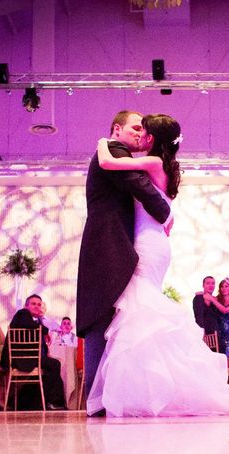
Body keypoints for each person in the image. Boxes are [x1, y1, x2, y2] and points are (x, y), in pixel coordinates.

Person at [87, 113, 229, 417]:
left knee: (140, 314)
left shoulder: (153, 163)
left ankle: (144, 392)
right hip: (154, 244)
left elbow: (108, 163)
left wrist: (102, 143)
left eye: (143, 132)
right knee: (142, 314)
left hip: (147, 245)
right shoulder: (160, 166)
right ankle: (149, 390)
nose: (140, 135)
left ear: (151, 140)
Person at [76, 110, 172, 416]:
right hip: (108, 246)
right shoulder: (114, 149)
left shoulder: (117, 151)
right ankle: (101, 400)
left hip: (117, 246)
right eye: (133, 127)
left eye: (142, 129)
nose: (138, 132)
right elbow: (139, 186)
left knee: (114, 321)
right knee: (105, 320)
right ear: (116, 129)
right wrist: (166, 213)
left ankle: (106, 400)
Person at [1, 294, 68, 411]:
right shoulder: (22, 313)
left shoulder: (31, 320)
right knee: (54, 365)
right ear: (26, 305)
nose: (37, 307)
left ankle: (41, 401)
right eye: (33, 304)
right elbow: (29, 325)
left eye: (39, 305)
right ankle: (52, 401)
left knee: (51, 366)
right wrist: (45, 330)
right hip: (23, 358)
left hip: (28, 358)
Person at [206, 277, 229, 359]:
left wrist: (213, 300)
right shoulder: (216, 299)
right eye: (222, 286)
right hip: (219, 334)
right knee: (220, 360)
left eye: (226, 286)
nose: (224, 289)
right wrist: (201, 293)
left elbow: (225, 310)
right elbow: (206, 296)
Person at [193, 276, 223, 345]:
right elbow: (198, 316)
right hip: (206, 334)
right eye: (208, 283)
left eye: (213, 283)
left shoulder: (215, 299)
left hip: (217, 334)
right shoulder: (199, 298)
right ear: (203, 285)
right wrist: (202, 331)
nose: (211, 285)